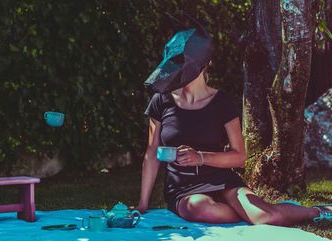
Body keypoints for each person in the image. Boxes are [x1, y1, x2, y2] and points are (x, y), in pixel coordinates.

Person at [136, 63, 332, 226]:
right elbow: (152, 152)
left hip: (221, 179)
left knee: (267, 217)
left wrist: (200, 157)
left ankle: (316, 211)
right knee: (203, 209)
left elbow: (239, 157)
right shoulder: (161, 100)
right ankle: (251, 212)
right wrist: (143, 204)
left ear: (204, 63)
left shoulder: (222, 102)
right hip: (183, 187)